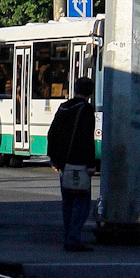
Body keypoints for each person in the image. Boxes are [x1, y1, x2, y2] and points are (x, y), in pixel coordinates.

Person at [47, 76, 97, 251]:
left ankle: (68, 236)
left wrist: (53, 159)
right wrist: (91, 164)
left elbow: (52, 134)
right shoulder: (86, 110)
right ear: (90, 92)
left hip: (63, 164)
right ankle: (74, 239)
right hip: (80, 163)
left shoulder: (63, 107)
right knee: (81, 203)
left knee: (67, 202)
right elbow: (87, 140)